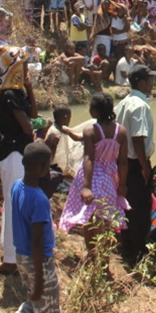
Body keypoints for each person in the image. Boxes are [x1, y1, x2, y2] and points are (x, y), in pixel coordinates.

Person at [0, 142, 86, 313]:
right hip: (38, 260)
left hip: (22, 256)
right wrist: (41, 276)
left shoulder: (16, 187)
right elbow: (38, 241)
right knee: (48, 312)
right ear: (43, 167)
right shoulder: (39, 200)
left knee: (36, 302)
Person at [59, 92, 128, 251]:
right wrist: (122, 184)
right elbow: (123, 162)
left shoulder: (91, 131)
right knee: (106, 219)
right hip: (111, 178)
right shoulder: (121, 131)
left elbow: (89, 158)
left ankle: (92, 256)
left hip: (92, 177)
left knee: (89, 219)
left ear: (95, 111)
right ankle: (104, 260)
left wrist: (86, 186)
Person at [0, 47, 35, 275]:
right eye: (23, 66)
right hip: (14, 155)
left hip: (18, 154)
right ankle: (11, 260)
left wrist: (29, 88)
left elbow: (33, 115)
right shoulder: (7, 96)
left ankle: (15, 255)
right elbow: (28, 125)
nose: (26, 70)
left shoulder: (16, 93)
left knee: (15, 205)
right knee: (13, 206)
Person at [117, 64, 156, 265]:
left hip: (123, 161)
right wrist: (145, 167)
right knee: (140, 208)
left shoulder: (124, 103)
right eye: (150, 79)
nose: (153, 82)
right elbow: (138, 138)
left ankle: (127, 246)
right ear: (142, 82)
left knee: (127, 205)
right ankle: (139, 252)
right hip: (135, 162)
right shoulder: (140, 105)